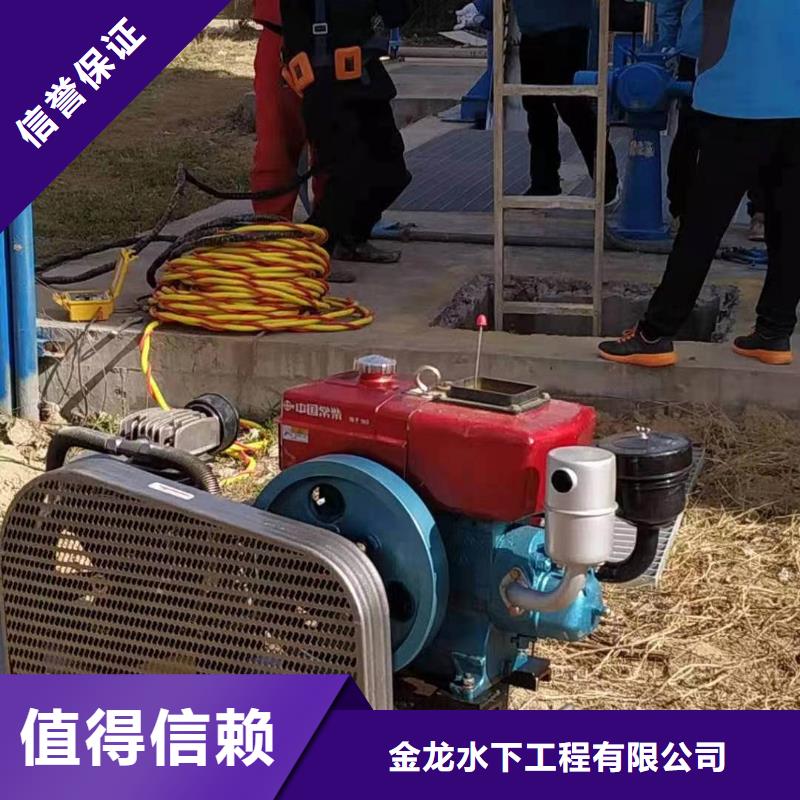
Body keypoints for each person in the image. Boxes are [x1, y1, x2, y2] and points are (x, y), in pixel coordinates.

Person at [599, 0, 800, 367]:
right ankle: (775, 331)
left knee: (702, 225)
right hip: (793, 98)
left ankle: (655, 333)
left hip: (738, 95)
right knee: (789, 224)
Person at [279, 0, 412, 264]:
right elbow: (293, 33)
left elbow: (396, 14)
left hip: (366, 80)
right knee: (348, 172)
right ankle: (311, 253)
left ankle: (351, 239)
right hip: (326, 86)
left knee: (392, 172)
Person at [460, 0, 619, 203]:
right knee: (536, 106)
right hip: (533, 30)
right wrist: (482, 7)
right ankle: (544, 182)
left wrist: (481, 6)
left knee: (572, 107)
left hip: (566, 27)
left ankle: (607, 180)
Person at [656, 0, 765, 241]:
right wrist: (668, 46)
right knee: (691, 132)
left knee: (757, 129)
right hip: (700, 48)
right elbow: (668, 5)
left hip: (751, 49)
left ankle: (761, 211)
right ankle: (682, 209)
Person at [251, 0, 323, 221]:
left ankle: (338, 224)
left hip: (339, 36)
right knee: (276, 142)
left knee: (338, 141)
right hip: (281, 33)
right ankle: (272, 225)